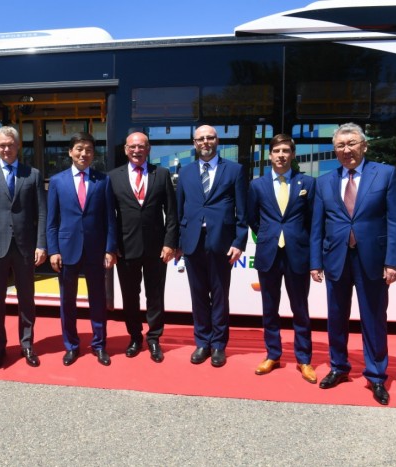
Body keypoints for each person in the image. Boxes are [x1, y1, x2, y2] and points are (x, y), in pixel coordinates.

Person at [310, 122, 396, 405]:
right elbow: (317, 226)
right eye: (340, 145)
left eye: (352, 143)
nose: (346, 150)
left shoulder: (385, 174)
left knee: (374, 319)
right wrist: (315, 262)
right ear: (334, 150)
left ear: (364, 145)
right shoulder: (324, 182)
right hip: (336, 259)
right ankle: (338, 367)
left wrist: (393, 261)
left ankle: (376, 375)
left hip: (373, 260)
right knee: (336, 317)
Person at [0, 126, 47, 369]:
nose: (6, 149)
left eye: (10, 144)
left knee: (27, 298)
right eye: (2, 145)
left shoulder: (33, 175)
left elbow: (42, 212)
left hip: (25, 246)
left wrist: (41, 244)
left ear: (18, 145)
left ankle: (27, 345)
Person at [175, 125, 247, 368]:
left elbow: (242, 211)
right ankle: (202, 342)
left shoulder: (235, 170)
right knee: (197, 295)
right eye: (201, 138)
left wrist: (239, 242)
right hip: (192, 241)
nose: (205, 142)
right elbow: (179, 210)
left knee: (219, 295)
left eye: (210, 137)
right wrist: (177, 243)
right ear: (194, 143)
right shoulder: (185, 172)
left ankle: (218, 345)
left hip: (221, 242)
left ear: (217, 140)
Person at [247, 134, 317, 383]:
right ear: (270, 155)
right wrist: (270, 235)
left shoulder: (307, 183)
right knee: (269, 308)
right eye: (277, 151)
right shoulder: (257, 185)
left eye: (286, 150)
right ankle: (273, 355)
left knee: (300, 309)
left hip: (298, 254)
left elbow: (313, 221)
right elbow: (252, 218)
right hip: (269, 254)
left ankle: (304, 359)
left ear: (293, 154)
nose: (281, 155)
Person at [47, 132, 118, 366]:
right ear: (70, 152)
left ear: (93, 154)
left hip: (96, 250)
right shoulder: (57, 181)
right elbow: (52, 221)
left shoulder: (103, 180)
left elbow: (110, 219)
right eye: (79, 149)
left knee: (98, 299)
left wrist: (110, 249)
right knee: (67, 301)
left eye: (88, 150)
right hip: (67, 249)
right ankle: (71, 346)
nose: (83, 154)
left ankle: (99, 345)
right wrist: (53, 250)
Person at [109, 132, 178, 362]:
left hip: (156, 248)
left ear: (148, 149)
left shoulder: (162, 174)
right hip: (125, 248)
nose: (136, 151)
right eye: (132, 147)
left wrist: (169, 243)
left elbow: (171, 213)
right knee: (130, 296)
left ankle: (154, 338)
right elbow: (109, 216)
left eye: (141, 146)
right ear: (125, 150)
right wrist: (112, 245)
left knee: (155, 295)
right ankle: (135, 337)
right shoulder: (114, 177)